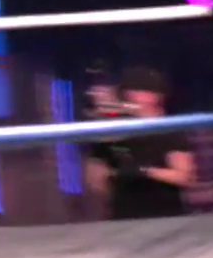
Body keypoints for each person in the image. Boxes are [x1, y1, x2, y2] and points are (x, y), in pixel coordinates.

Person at [84, 67, 197, 220]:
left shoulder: (169, 130)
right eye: (129, 92)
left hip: (165, 216)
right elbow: (96, 182)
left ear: (155, 96)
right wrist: (107, 172)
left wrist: (142, 171)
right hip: (123, 217)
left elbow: (185, 177)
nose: (130, 97)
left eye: (137, 91)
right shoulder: (116, 132)